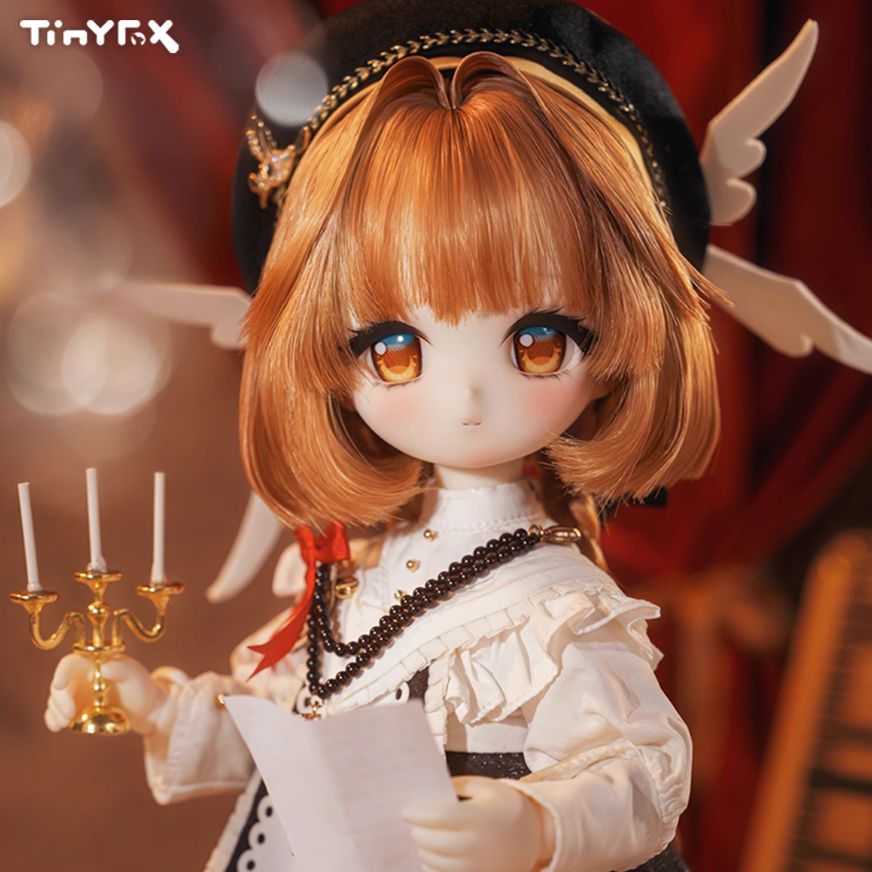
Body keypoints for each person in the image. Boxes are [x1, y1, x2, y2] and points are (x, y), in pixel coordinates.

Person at [45, 3, 731, 870]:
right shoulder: (358, 564)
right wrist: (163, 711)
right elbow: (301, 729)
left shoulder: (555, 609)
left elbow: (640, 773)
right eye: (397, 349)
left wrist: (541, 827)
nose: (467, 394)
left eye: (538, 342)